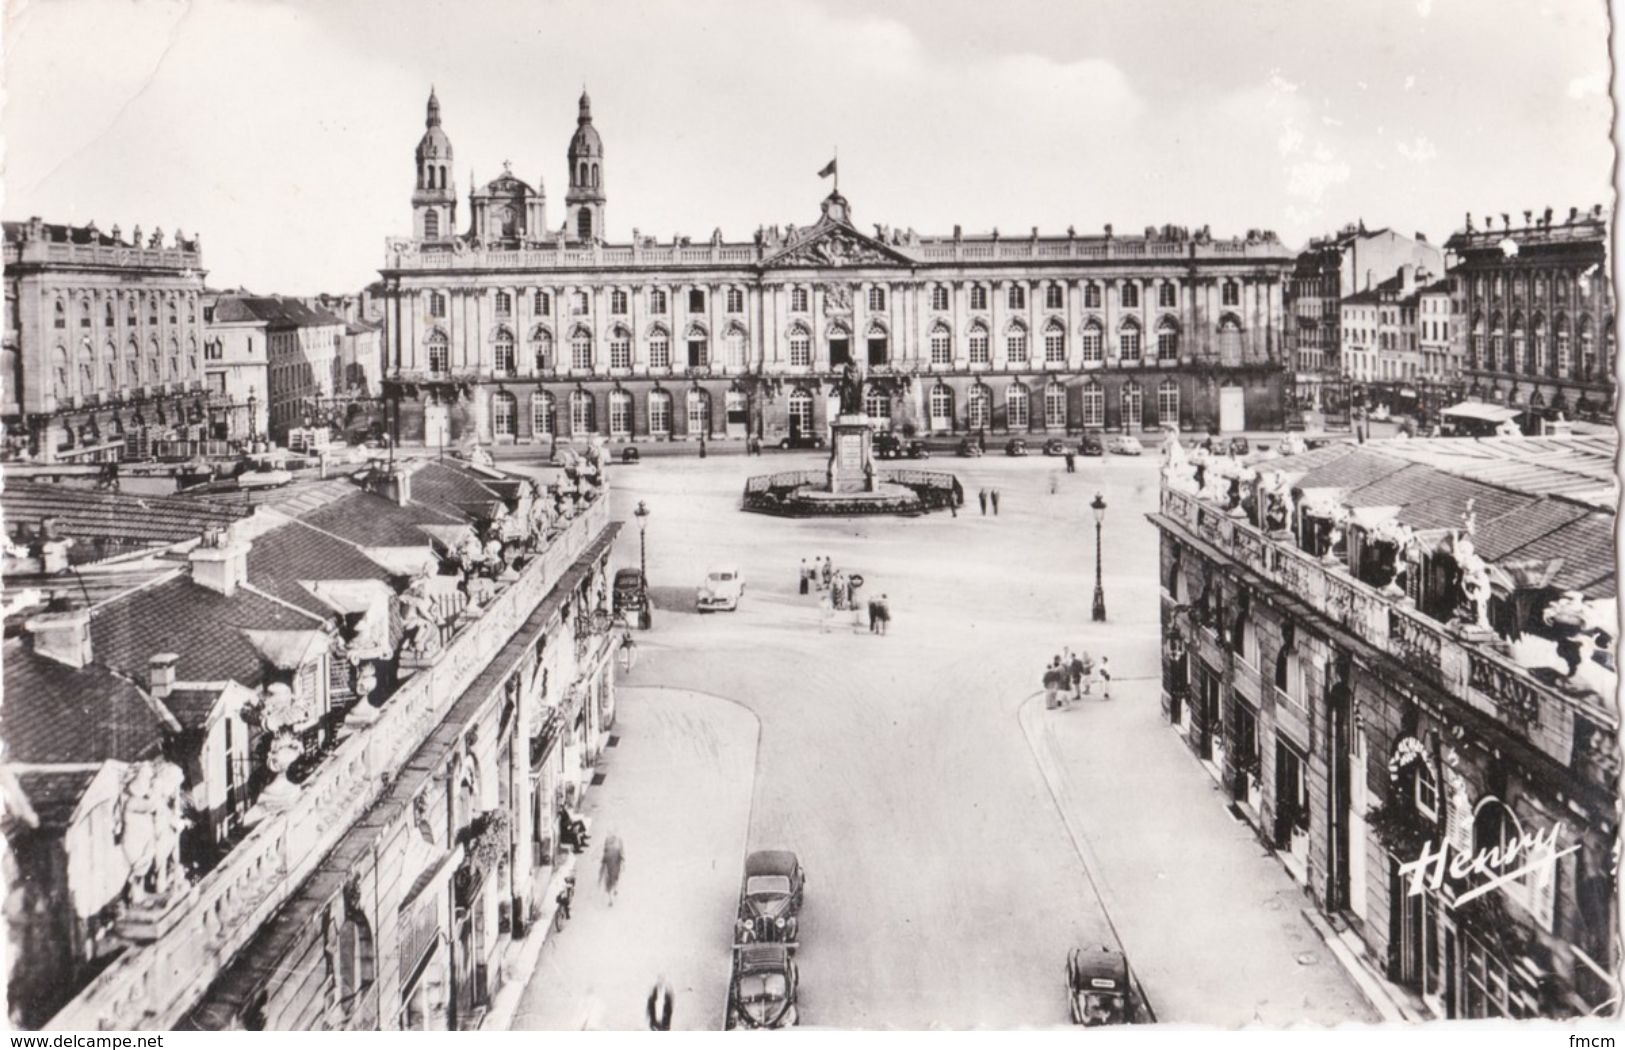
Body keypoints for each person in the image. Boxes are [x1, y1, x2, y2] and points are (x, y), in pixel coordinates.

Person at [600, 833, 625, 905]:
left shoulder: (606, 854)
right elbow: (621, 859)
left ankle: (610, 900)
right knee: (615, 880)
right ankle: (615, 890)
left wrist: (601, 876)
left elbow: (603, 864)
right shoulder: (617, 851)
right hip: (615, 870)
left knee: (609, 886)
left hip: (609, 872)